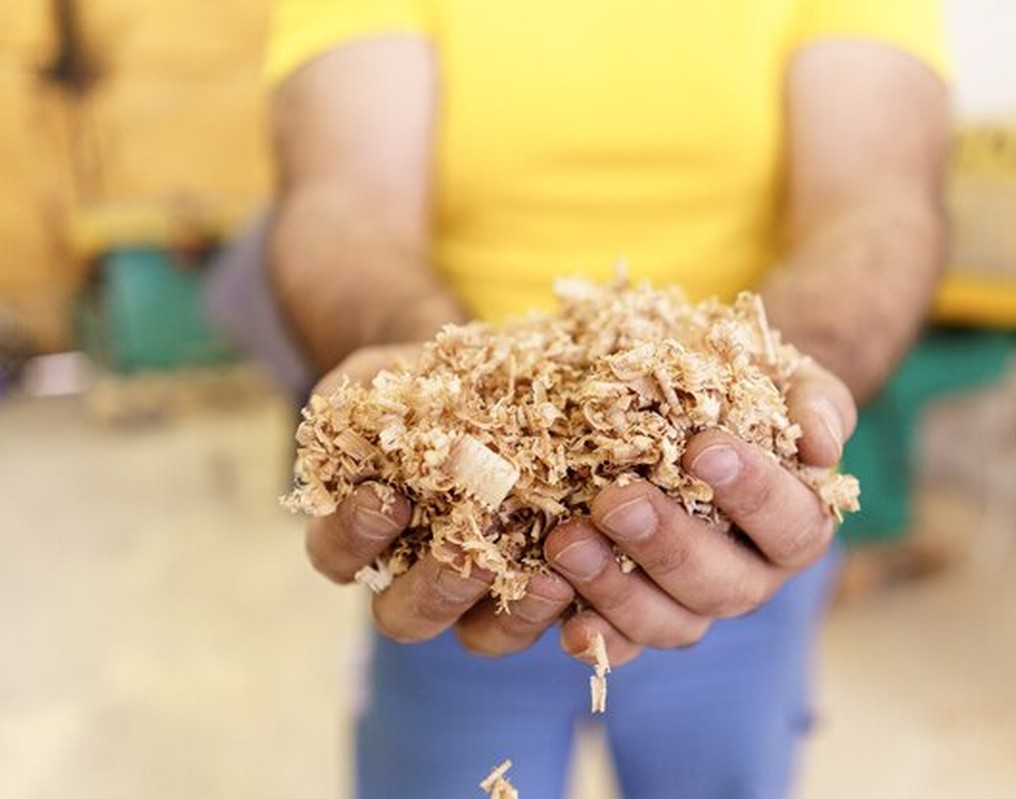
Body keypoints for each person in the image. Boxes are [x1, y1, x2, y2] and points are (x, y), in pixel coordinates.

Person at [253, 1, 951, 796]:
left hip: (734, 537)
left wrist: (771, 392)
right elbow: (344, 203)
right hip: (457, 558)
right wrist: (432, 383)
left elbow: (877, 203)